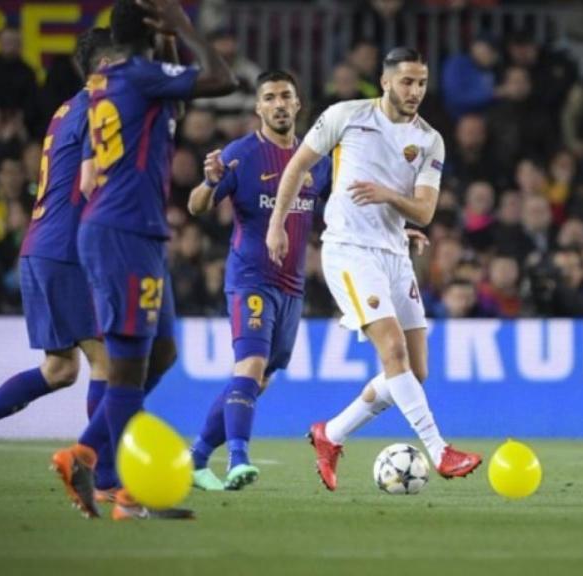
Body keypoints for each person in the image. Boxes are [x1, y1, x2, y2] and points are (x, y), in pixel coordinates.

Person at [50, 0, 236, 520]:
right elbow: (221, 80)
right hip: (123, 231)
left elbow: (172, 109)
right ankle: (131, 493)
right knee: (129, 369)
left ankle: (81, 454)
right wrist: (182, 26)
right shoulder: (139, 76)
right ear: (151, 37)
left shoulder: (111, 82)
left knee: (161, 354)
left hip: (135, 232)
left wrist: (167, 38)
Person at [265, 47, 482, 491]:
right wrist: (277, 225)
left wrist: (389, 199)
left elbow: (423, 209)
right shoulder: (346, 115)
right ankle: (439, 450)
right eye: (406, 82)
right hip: (349, 251)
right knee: (393, 351)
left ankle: (332, 433)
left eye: (421, 82)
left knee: (415, 371)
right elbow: (297, 166)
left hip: (394, 254)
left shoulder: (429, 140)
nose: (415, 91)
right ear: (385, 82)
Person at [0, 29, 114, 498]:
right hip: (66, 249)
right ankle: (102, 479)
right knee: (107, 361)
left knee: (61, 369)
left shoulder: (67, 108)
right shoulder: (100, 109)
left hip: (41, 244)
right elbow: (88, 183)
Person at [184, 70, 331, 491]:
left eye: (287, 95)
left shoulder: (314, 160)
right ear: (259, 108)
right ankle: (237, 460)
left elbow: (335, 208)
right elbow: (196, 205)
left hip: (292, 286)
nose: (280, 104)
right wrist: (210, 181)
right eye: (270, 97)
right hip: (250, 277)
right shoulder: (242, 153)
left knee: (258, 379)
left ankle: (195, 459)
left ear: (298, 105)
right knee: (248, 366)